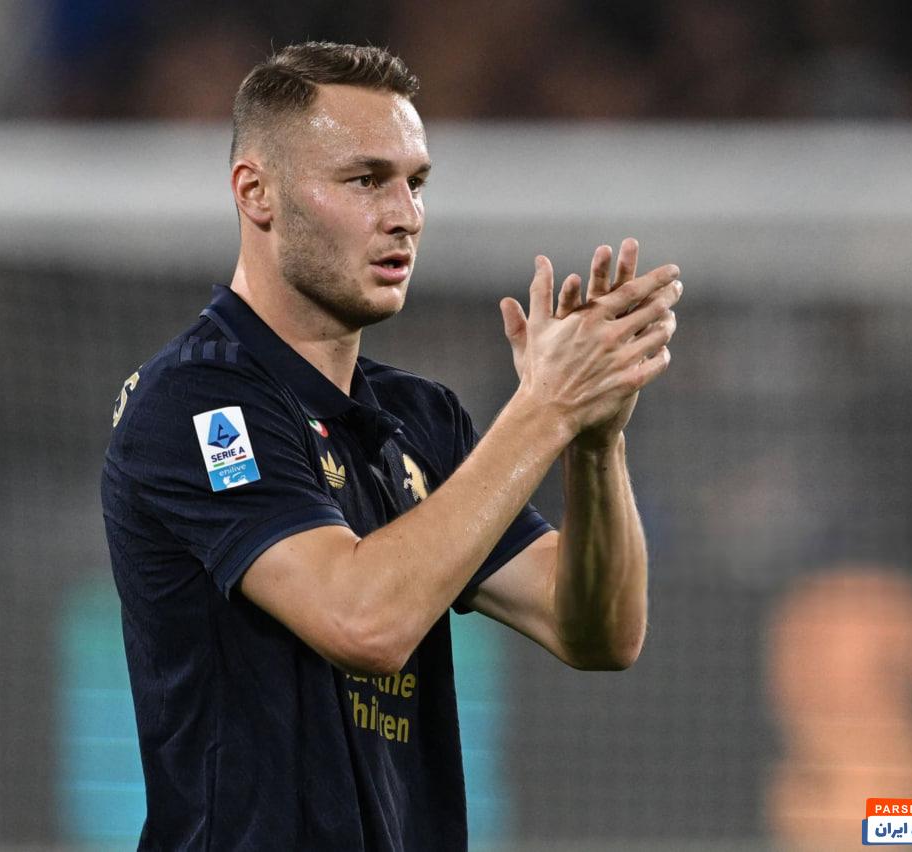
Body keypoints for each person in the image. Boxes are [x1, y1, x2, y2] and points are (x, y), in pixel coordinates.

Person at [101, 41, 681, 851]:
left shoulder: (420, 418)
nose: (405, 214)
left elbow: (599, 632)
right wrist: (545, 407)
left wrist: (593, 442)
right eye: (366, 180)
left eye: (416, 182)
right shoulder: (197, 401)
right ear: (257, 193)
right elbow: (364, 622)